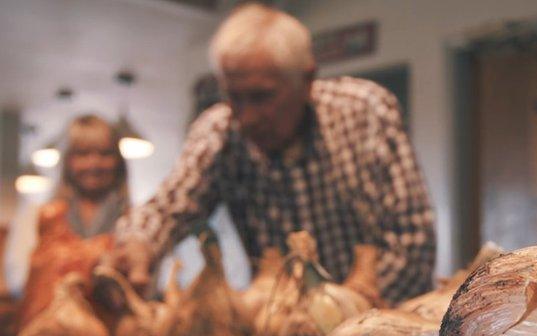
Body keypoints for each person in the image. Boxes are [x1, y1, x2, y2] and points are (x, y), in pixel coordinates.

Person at [104, 3, 435, 305]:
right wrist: (139, 243)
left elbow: (412, 241)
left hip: (377, 334)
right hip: (279, 331)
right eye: (234, 97)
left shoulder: (366, 112)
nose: (246, 117)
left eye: (262, 97)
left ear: (306, 81)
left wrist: (340, 314)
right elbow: (170, 207)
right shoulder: (220, 132)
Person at [17, 114, 126, 329]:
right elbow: (19, 281)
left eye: (105, 154)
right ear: (67, 162)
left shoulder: (136, 222)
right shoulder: (44, 216)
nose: (94, 164)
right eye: (82, 154)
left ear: (119, 163)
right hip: (48, 332)